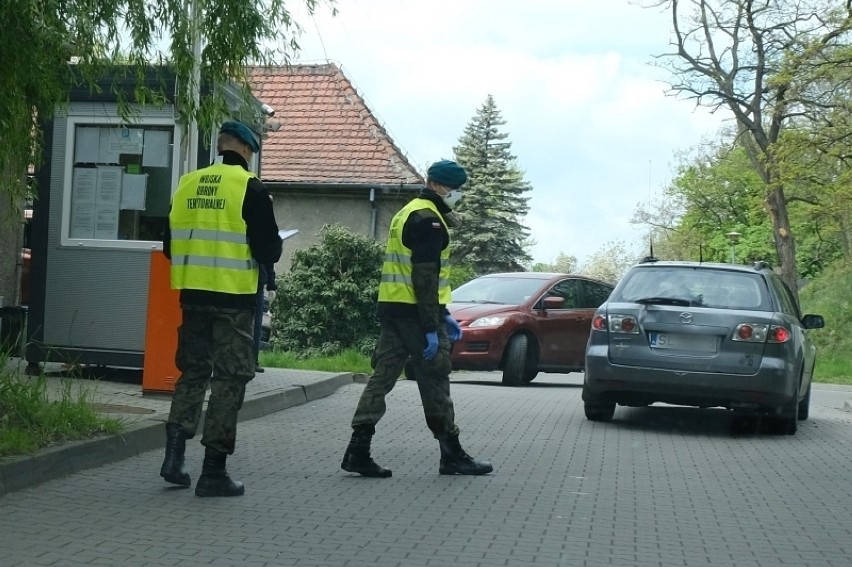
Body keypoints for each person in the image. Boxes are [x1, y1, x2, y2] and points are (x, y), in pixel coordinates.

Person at [341, 159, 493, 478]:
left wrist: (444, 313)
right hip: (416, 314)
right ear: (438, 185)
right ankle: (451, 453)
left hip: (393, 309)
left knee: (381, 378)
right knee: (435, 378)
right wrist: (432, 326)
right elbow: (424, 278)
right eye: (454, 189)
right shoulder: (429, 220)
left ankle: (358, 449)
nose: (457, 195)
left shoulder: (408, 211)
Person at [160, 121, 282, 497]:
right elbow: (268, 251)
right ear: (246, 149)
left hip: (192, 297)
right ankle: (213, 471)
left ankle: (174, 457)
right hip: (233, 301)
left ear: (220, 147)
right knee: (229, 379)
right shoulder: (250, 188)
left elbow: (169, 245)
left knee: (193, 372)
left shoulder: (187, 184)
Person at [253, 263, 278, 373]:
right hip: (254, 282)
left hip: (255, 282)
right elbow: (270, 253)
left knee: (256, 326)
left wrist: (271, 283)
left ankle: (252, 360)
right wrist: (271, 283)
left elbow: (269, 255)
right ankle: (251, 361)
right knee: (255, 326)